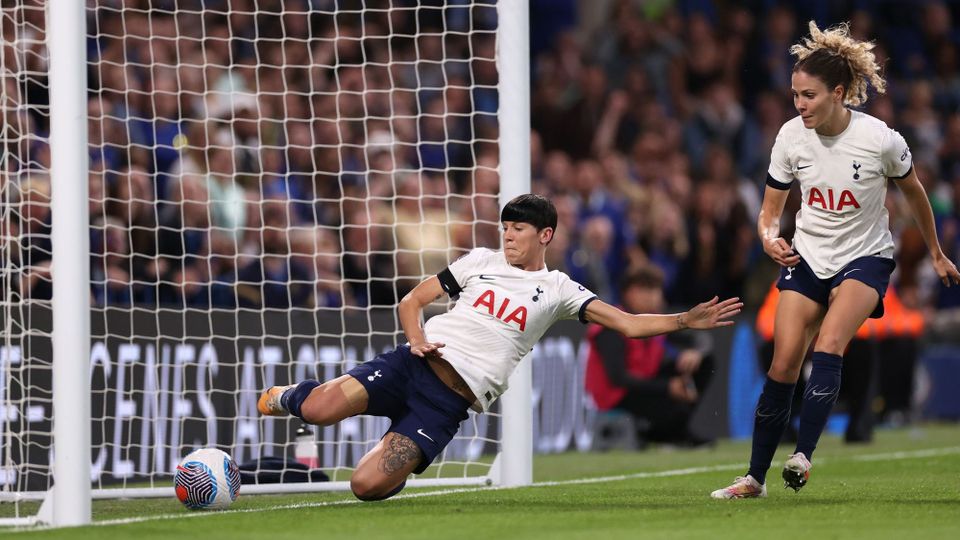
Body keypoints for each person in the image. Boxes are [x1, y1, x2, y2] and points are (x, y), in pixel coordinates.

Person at [258, 194, 742, 501]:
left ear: (545, 235)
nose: (508, 235)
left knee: (365, 487)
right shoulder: (480, 261)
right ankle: (291, 395)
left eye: (518, 229)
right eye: (505, 227)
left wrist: (684, 319)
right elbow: (412, 301)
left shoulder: (559, 289)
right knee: (318, 411)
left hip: (446, 402)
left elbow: (629, 325)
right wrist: (417, 340)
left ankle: (395, 456)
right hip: (412, 365)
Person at [711, 21, 960, 500]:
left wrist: (935, 251)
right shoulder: (790, 137)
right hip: (807, 255)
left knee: (829, 343)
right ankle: (754, 479)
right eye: (795, 95)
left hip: (865, 256)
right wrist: (768, 238)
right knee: (783, 364)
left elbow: (914, 193)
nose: (799, 104)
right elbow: (770, 211)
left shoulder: (880, 139)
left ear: (838, 94)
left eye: (808, 95)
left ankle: (802, 456)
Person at [585, 265, 715, 447]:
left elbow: (699, 338)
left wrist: (697, 352)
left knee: (705, 363)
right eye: (647, 289)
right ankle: (666, 434)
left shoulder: (654, 320)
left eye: (656, 289)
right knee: (674, 408)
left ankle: (672, 432)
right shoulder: (611, 325)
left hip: (646, 384)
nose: (654, 296)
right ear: (629, 293)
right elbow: (618, 378)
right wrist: (667, 386)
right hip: (619, 395)